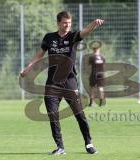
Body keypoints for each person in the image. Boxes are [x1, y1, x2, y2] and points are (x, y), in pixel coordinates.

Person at [20, 11, 104, 155]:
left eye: (69, 23)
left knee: (80, 115)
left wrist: (94, 23)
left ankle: (89, 143)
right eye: (65, 22)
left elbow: (86, 31)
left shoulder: (73, 36)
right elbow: (39, 55)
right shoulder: (49, 38)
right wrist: (28, 67)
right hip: (52, 83)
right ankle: (60, 147)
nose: (67, 25)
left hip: (69, 82)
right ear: (58, 23)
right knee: (53, 115)